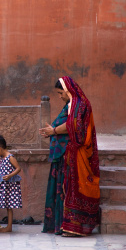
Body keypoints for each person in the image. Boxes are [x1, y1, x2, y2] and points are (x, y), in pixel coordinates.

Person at [39, 76, 100, 236]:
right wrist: (52, 130)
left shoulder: (81, 104)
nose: (60, 97)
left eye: (61, 93)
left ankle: (75, 228)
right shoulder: (72, 104)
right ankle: (65, 226)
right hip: (68, 154)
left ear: (67, 90)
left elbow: (75, 126)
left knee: (74, 189)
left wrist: (54, 131)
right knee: (66, 189)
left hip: (78, 154)